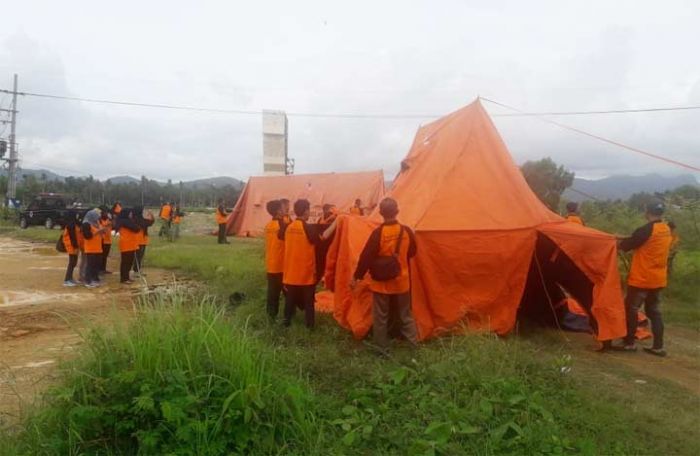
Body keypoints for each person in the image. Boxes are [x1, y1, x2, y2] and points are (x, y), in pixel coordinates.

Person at [351, 197, 418, 354]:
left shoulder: (378, 233)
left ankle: (382, 349)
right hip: (402, 282)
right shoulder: (407, 231)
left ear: (380, 213)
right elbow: (413, 252)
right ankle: (413, 346)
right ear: (397, 211)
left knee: (380, 317)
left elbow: (365, 258)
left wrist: (356, 277)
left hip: (381, 284)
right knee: (405, 315)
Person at [617, 201, 673, 356]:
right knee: (654, 311)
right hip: (658, 279)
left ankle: (629, 343)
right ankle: (658, 347)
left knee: (631, 309)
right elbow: (639, 240)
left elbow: (626, 245)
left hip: (642, 278)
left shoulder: (646, 230)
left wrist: (615, 240)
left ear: (647, 212)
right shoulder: (667, 229)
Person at [278, 199, 336, 328]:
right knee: (309, 302)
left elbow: (279, 235)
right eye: (308, 210)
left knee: (289, 300)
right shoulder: (307, 228)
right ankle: (309, 326)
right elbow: (323, 237)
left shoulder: (288, 227)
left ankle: (286, 322)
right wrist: (336, 223)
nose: (309, 212)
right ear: (305, 211)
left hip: (290, 273)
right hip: (305, 273)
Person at [264, 200, 287, 320]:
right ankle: (289, 317)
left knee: (272, 293)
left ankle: (271, 317)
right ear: (278, 211)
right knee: (289, 293)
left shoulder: (268, 226)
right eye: (284, 207)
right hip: (282, 265)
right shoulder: (282, 226)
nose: (286, 209)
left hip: (270, 264)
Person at [81, 209, 106, 288]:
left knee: (96, 265)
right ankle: (87, 281)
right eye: (96, 216)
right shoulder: (86, 224)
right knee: (90, 265)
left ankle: (94, 279)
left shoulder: (96, 223)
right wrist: (98, 231)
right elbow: (87, 236)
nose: (98, 218)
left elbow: (100, 233)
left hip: (98, 248)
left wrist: (102, 231)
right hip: (90, 248)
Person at [115, 208, 141, 284]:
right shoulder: (125, 221)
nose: (131, 214)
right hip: (127, 244)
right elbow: (136, 229)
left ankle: (126, 277)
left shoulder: (125, 221)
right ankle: (124, 278)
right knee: (125, 262)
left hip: (130, 244)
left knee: (129, 262)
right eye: (130, 213)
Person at [315, 204, 338, 285]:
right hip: (323, 244)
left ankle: (325, 277)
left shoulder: (333, 219)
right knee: (323, 261)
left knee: (327, 260)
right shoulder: (322, 219)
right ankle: (322, 277)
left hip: (328, 244)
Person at [133, 206, 155, 276]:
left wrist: (150, 215)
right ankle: (136, 271)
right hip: (139, 240)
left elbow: (150, 222)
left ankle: (137, 270)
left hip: (140, 240)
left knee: (139, 256)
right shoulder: (139, 220)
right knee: (138, 256)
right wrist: (150, 214)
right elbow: (150, 222)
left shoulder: (134, 219)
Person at [62, 210, 81, 287]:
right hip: (71, 246)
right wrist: (75, 247)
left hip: (74, 246)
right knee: (72, 262)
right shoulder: (70, 225)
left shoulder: (73, 223)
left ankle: (70, 278)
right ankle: (67, 280)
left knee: (74, 262)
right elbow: (72, 237)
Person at [99, 207, 113, 274]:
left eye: (106, 213)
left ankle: (103, 269)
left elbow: (113, 226)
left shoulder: (109, 220)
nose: (106, 214)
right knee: (101, 256)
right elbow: (100, 229)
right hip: (102, 240)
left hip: (108, 240)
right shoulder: (99, 220)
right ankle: (99, 269)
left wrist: (112, 221)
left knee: (105, 256)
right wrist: (106, 225)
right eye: (104, 213)